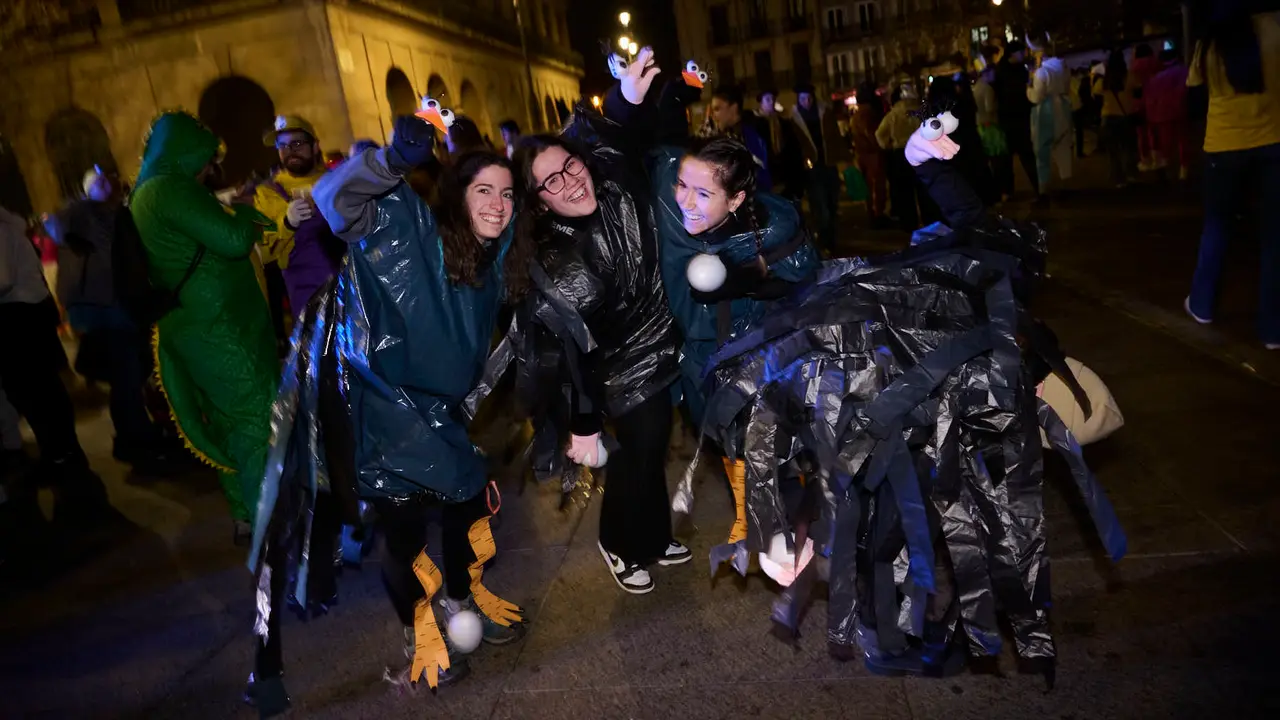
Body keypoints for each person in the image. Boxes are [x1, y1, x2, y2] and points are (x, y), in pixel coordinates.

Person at [690, 114, 1127, 677]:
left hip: (942, 420)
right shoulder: (902, 284)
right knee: (883, 519)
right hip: (894, 417)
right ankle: (879, 626)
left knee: (903, 519)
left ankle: (881, 621)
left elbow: (980, 231)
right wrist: (928, 164)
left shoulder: (981, 302)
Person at [248, 116, 535, 713]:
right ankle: (418, 628)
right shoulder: (407, 229)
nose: (498, 204)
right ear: (455, 195)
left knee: (466, 499)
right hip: (382, 411)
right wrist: (390, 163)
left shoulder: (502, 258)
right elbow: (334, 199)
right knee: (404, 533)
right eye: (483, 190)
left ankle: (458, 600)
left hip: (441, 415)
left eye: (508, 194)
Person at [511, 47, 687, 594]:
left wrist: (625, 97)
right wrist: (584, 424)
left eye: (570, 166)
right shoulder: (561, 262)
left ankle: (654, 536)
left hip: (661, 339)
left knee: (655, 446)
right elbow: (573, 355)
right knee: (640, 450)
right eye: (551, 183)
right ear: (538, 203)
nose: (570, 182)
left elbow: (610, 129)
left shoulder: (605, 171)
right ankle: (617, 541)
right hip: (617, 368)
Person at [130, 111, 279, 542]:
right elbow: (231, 240)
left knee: (226, 422)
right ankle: (270, 527)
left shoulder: (149, 190)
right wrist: (249, 217)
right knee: (255, 421)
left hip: (199, 325)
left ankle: (244, 513)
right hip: (220, 329)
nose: (208, 166)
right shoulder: (171, 189)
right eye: (204, 156)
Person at [43, 166, 172, 471]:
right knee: (126, 377)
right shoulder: (84, 210)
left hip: (113, 308)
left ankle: (136, 435)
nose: (108, 184)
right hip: (106, 310)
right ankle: (135, 441)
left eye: (108, 180)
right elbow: (53, 226)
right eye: (100, 181)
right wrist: (69, 241)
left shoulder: (109, 213)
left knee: (128, 376)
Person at [0, 205, 108, 527]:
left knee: (35, 394)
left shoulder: (3, 231)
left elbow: (3, 280)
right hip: (24, 318)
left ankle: (64, 460)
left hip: (18, 320)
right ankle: (62, 456)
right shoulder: (9, 227)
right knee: (39, 392)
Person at [1184, 0, 1280, 350]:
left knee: (1218, 224)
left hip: (1223, 145)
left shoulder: (1209, 42)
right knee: (1274, 238)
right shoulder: (1275, 26)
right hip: (1274, 141)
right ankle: (1273, 330)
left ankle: (1203, 304)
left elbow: (1194, 96)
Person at [254, 115, 347, 316]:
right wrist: (287, 223)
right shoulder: (268, 192)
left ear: (315, 146)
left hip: (350, 287)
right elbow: (264, 251)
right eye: (282, 146)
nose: (290, 151)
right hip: (308, 300)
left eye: (297, 143)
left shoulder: (337, 181)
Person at [791, 83, 851, 254]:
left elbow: (836, 138)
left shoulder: (825, 113)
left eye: (809, 97)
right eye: (803, 98)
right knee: (820, 205)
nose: (807, 101)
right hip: (812, 168)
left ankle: (830, 238)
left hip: (829, 164)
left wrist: (844, 159)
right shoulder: (794, 119)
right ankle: (825, 241)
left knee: (832, 203)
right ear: (798, 99)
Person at [1026, 32, 1074, 197]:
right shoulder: (1063, 67)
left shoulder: (1041, 73)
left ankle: (1044, 186)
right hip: (1064, 108)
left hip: (1046, 112)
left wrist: (1028, 89)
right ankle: (1066, 182)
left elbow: (1037, 96)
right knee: (1063, 147)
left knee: (1042, 150)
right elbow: (1067, 87)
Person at [993, 41, 1040, 200]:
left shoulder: (1021, 69)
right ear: (1012, 53)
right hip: (1007, 120)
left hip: (1021, 118)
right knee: (1007, 159)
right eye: (1021, 52)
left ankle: (1039, 187)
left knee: (1027, 155)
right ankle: (1008, 190)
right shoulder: (1001, 71)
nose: (1023, 54)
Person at [707, 84, 773, 192]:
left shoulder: (752, 137)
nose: (713, 115)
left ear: (733, 108)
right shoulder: (719, 137)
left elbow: (761, 178)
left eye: (717, 109)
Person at [1144, 48, 1191, 181]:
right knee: (1183, 140)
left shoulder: (1155, 77)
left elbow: (1150, 98)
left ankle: (1167, 169)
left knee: (1167, 142)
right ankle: (1183, 169)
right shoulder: (1183, 71)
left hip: (1161, 114)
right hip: (1180, 110)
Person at [1095, 50, 1140, 187]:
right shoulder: (1130, 77)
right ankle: (1131, 174)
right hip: (1126, 117)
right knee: (1129, 148)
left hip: (1108, 118)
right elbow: (1138, 92)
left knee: (1113, 152)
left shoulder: (1103, 81)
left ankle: (1118, 178)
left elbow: (1096, 97)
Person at [757, 88, 809, 203]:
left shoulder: (783, 122)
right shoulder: (755, 125)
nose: (771, 102)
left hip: (787, 175)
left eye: (773, 99)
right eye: (767, 99)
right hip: (768, 175)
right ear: (761, 103)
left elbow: (794, 148)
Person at [850, 81, 889, 226]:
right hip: (872, 153)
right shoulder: (868, 113)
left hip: (862, 153)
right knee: (876, 185)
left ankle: (872, 212)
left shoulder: (857, 113)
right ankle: (877, 214)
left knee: (868, 186)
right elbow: (872, 134)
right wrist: (880, 145)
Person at [1129, 43, 1162, 170]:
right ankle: (1157, 159)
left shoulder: (1135, 67)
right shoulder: (1156, 64)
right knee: (1154, 132)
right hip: (1155, 102)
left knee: (1141, 134)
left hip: (1140, 104)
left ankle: (1145, 160)